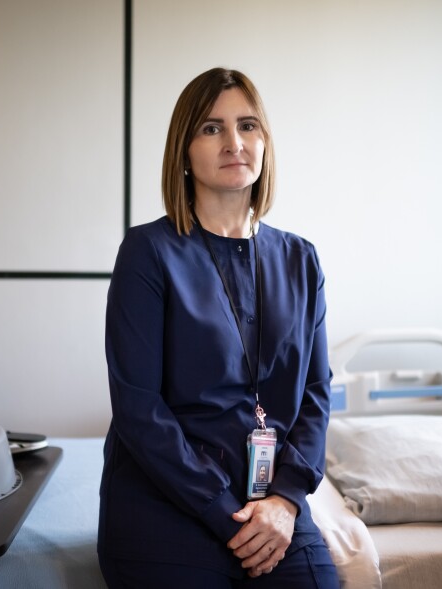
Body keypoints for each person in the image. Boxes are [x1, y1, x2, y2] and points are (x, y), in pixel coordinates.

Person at [98, 67, 338, 588]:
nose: (234, 141)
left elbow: (317, 395)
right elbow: (139, 409)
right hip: (165, 503)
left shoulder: (301, 260)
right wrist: (221, 511)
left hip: (273, 507)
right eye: (211, 128)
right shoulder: (148, 253)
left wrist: (285, 501)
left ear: (265, 141)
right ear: (184, 149)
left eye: (248, 125)